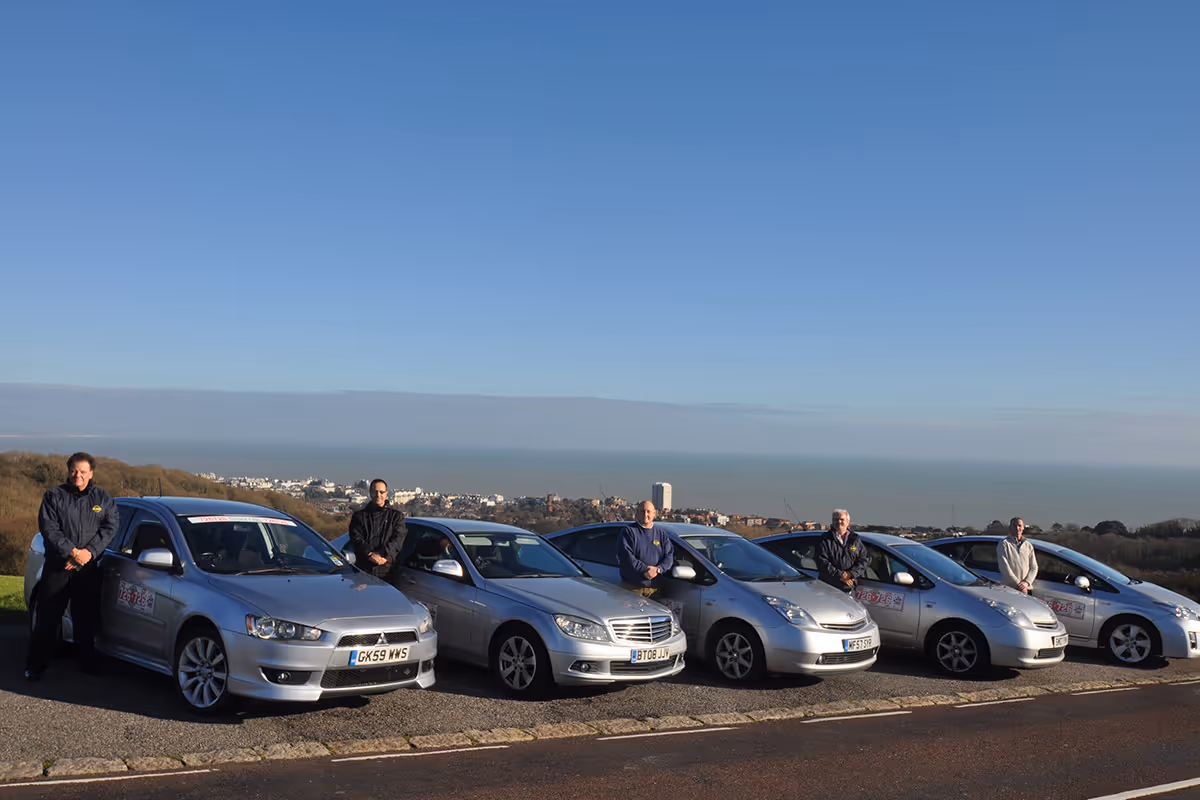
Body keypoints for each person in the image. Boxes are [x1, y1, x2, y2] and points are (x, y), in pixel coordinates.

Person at [25, 452, 119, 681]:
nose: (78, 475)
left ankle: (87, 663)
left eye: (83, 472)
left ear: (91, 473)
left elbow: (110, 527)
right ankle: (35, 666)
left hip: (87, 569)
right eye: (74, 471)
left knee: (86, 620)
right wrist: (72, 552)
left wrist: (89, 553)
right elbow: (50, 529)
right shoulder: (53, 496)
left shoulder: (103, 498)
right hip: (58, 568)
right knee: (47, 620)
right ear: (68, 471)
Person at [347, 479, 407, 581]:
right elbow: (356, 539)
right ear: (370, 493)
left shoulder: (396, 517)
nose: (378, 495)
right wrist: (369, 554)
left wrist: (384, 556)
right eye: (375, 492)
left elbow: (397, 540)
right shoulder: (359, 516)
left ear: (386, 494)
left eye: (382, 492)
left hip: (388, 573)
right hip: (363, 571)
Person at [618, 501, 674, 598]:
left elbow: (669, 556)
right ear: (637, 513)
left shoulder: (661, 533)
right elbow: (626, 556)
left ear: (654, 513)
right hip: (633, 588)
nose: (645, 514)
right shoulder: (629, 531)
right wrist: (645, 570)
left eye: (648, 511)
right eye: (642, 511)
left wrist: (658, 570)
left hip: (655, 589)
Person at [816, 508, 868, 593]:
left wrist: (851, 574)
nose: (839, 522)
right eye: (836, 520)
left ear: (848, 522)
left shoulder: (855, 540)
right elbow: (822, 562)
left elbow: (864, 559)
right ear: (832, 522)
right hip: (829, 588)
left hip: (850, 587)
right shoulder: (825, 539)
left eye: (842, 519)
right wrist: (841, 576)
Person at [997, 516, 1038, 594]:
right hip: (1010, 588)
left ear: (1023, 527)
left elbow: (1034, 567)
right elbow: (1004, 566)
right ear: (1010, 528)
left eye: (1019, 526)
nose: (1017, 528)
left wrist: (1026, 582)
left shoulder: (1028, 545)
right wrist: (1018, 584)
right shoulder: (1004, 543)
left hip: (1026, 588)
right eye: (1014, 526)